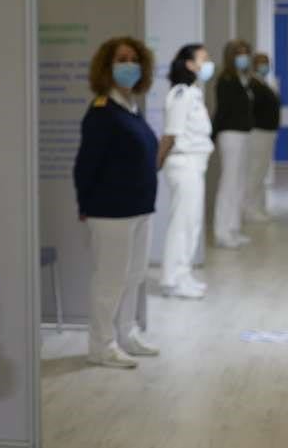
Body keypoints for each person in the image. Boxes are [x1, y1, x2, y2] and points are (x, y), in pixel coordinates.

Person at [74, 36, 160, 369]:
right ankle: (102, 345)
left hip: (140, 208)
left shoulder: (132, 109)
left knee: (134, 276)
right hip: (111, 211)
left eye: (134, 59)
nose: (130, 65)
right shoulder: (102, 112)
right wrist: (85, 203)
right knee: (110, 280)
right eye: (122, 59)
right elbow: (85, 165)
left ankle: (127, 333)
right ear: (107, 67)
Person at [156, 44, 214, 300]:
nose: (208, 63)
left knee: (192, 223)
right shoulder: (181, 94)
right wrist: (156, 163)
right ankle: (172, 279)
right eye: (204, 59)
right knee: (182, 224)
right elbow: (171, 134)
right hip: (183, 163)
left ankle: (184, 274)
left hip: (195, 164)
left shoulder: (193, 93)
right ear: (190, 64)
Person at [211, 40, 254, 249]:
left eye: (246, 53)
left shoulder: (243, 79)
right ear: (230, 56)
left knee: (239, 181)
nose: (243, 57)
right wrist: (212, 135)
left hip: (244, 133)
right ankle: (222, 231)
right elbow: (222, 110)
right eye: (239, 53)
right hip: (230, 134)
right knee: (229, 181)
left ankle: (234, 227)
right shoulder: (226, 79)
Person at [245, 53, 280, 222]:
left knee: (262, 172)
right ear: (254, 65)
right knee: (255, 172)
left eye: (266, 62)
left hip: (268, 133)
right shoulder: (252, 84)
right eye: (261, 63)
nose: (264, 66)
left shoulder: (266, 83)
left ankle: (259, 207)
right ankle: (249, 209)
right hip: (258, 132)